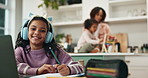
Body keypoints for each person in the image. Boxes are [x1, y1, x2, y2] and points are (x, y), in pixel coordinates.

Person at [15, 15, 83, 76]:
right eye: (33, 29)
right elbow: (13, 66)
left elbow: (79, 66)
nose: (37, 33)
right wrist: (37, 71)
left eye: (42, 31)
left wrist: (69, 69)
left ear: (48, 36)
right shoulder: (20, 50)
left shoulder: (56, 50)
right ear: (26, 31)